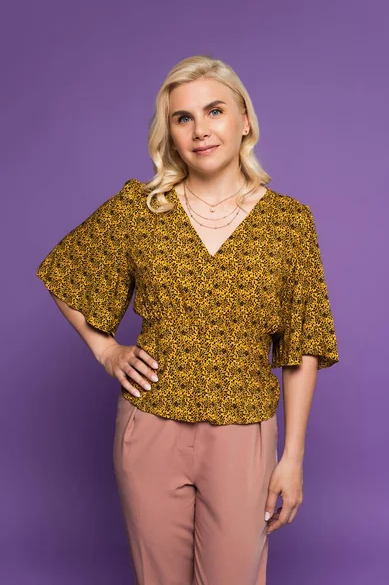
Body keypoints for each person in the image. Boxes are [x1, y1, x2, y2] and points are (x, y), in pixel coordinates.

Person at [36, 54, 339, 585]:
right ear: (171, 134)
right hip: (149, 427)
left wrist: (291, 458)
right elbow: (65, 273)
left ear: (244, 119)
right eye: (183, 118)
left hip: (243, 432)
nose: (201, 130)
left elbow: (303, 347)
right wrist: (108, 351)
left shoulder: (289, 222)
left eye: (214, 110)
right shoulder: (142, 209)